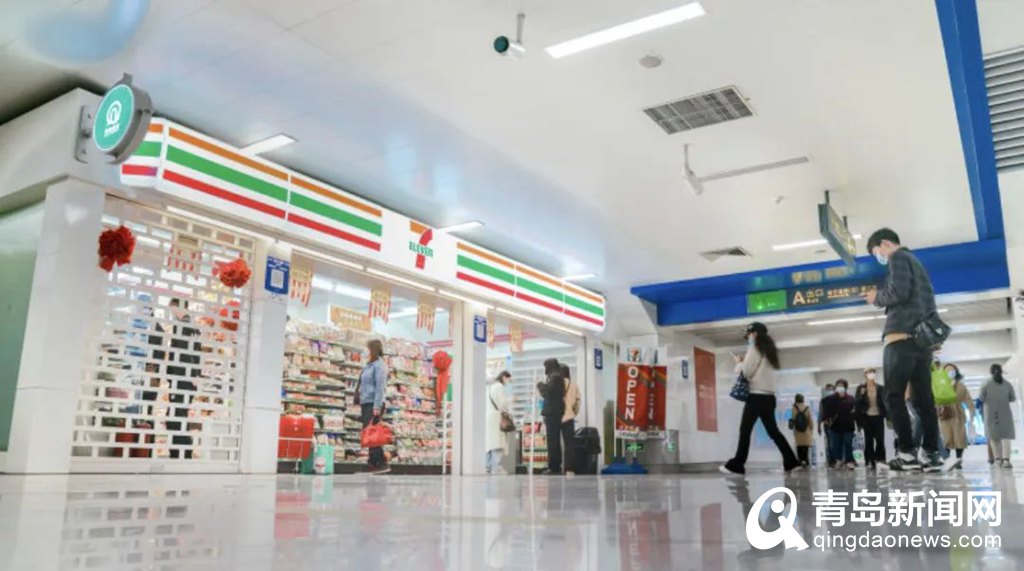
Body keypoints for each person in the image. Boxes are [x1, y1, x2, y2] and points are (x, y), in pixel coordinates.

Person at [864, 228, 945, 472]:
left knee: (893, 395)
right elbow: (928, 303)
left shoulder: (897, 258)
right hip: (921, 343)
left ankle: (907, 453)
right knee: (924, 399)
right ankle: (931, 454)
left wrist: (876, 297)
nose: (879, 257)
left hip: (899, 338)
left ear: (885, 243)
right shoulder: (917, 263)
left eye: (876, 252)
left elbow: (898, 292)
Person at [720, 322, 800, 475]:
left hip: (756, 397)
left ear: (755, 334)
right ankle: (791, 462)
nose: (748, 337)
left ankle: (737, 464)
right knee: (774, 432)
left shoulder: (754, 348)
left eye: (749, 334)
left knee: (745, 430)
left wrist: (739, 363)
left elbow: (747, 372)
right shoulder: (770, 351)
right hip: (769, 398)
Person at [358, 339, 390, 474]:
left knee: (373, 433)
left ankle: (381, 462)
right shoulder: (369, 365)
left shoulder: (379, 365)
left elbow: (380, 387)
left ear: (373, 349)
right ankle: (372, 462)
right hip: (366, 402)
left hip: (373, 403)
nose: (365, 351)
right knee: (369, 433)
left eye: (367, 348)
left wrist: (377, 406)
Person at [938, 362, 975, 469]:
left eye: (952, 370)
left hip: (958, 414)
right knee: (947, 438)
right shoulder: (940, 385)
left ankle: (959, 460)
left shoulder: (961, 386)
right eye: (947, 371)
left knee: (960, 437)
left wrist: (972, 413)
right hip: (945, 414)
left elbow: (968, 399)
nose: (950, 372)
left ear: (956, 372)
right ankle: (948, 460)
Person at [979, 364, 1015, 469]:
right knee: (1006, 437)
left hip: (991, 413)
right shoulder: (1007, 384)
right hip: (1005, 413)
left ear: (990, 372)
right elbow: (1012, 398)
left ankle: (998, 460)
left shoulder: (985, 384)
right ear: (1001, 371)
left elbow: (981, 398)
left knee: (993, 437)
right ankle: (1006, 460)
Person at [537, 358, 566, 475]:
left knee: (552, 440)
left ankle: (554, 467)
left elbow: (547, 393)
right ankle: (555, 465)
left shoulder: (555, 377)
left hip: (552, 412)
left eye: (546, 366)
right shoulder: (557, 376)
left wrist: (540, 384)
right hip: (555, 412)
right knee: (554, 440)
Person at [856, 368, 888, 470]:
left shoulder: (880, 388)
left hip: (878, 416)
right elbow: (857, 403)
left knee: (880, 439)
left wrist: (888, 416)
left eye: (873, 372)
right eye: (869, 373)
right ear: (865, 375)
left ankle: (880, 459)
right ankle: (870, 460)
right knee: (868, 440)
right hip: (866, 417)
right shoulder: (861, 388)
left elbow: (885, 402)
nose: (871, 374)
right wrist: (861, 395)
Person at [822, 379, 857, 469]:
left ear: (845, 387)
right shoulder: (830, 399)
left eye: (841, 386)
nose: (839, 387)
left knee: (848, 444)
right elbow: (826, 411)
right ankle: (838, 460)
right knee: (836, 445)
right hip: (835, 426)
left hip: (848, 426)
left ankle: (848, 461)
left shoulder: (851, 399)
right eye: (838, 386)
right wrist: (825, 419)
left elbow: (855, 411)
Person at [485, 371, 512, 475]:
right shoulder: (499, 386)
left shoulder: (490, 386)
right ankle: (497, 468)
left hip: (489, 416)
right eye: (508, 380)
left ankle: (487, 467)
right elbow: (502, 403)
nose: (508, 382)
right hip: (497, 417)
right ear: (504, 377)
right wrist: (511, 401)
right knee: (498, 443)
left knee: (489, 444)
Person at [560, 364, 579, 477]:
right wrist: (574, 412)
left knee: (555, 444)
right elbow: (578, 401)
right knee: (569, 444)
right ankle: (569, 469)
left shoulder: (556, 384)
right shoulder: (573, 384)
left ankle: (557, 467)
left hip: (557, 417)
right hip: (569, 417)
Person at [788, 394, 814, 467]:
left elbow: (793, 418)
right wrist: (811, 428)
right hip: (806, 430)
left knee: (799, 445)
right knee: (805, 446)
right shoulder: (807, 408)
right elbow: (810, 419)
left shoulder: (794, 407)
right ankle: (806, 460)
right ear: (803, 399)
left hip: (797, 430)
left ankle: (800, 460)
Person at [818, 383, 835, 466]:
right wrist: (819, 426)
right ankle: (831, 460)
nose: (828, 391)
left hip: (838, 424)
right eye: (827, 389)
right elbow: (820, 414)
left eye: (830, 389)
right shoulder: (823, 401)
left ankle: (838, 459)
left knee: (836, 442)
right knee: (830, 442)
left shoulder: (837, 399)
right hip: (827, 424)